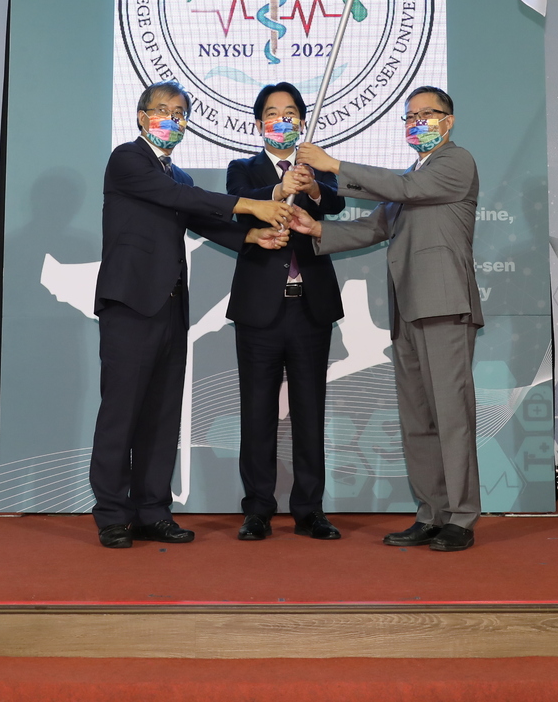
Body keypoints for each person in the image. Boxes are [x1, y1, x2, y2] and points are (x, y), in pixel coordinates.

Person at [89, 81, 293, 550]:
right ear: (142, 116)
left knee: (162, 415)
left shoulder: (176, 176)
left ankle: (152, 510)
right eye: (164, 111)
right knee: (121, 413)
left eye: (181, 114)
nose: (173, 120)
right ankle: (112, 515)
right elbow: (186, 201)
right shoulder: (127, 159)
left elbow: (202, 217)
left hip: (170, 307)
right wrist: (251, 204)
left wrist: (252, 238)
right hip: (130, 305)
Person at [290, 86, 480, 552]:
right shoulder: (409, 176)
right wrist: (315, 228)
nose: (418, 122)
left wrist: (332, 165)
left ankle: (461, 516)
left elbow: (407, 190)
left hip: (443, 304)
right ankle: (430, 513)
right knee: (418, 418)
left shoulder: (456, 163)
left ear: (448, 121)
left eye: (428, 114)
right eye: (410, 116)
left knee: (451, 415)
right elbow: (373, 227)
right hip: (407, 308)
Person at [226, 83, 347, 542]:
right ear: (259, 123)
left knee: (309, 411)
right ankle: (257, 508)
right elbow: (240, 207)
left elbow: (334, 202)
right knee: (256, 412)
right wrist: (279, 187)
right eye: (273, 113)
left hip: (309, 308)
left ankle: (309, 509)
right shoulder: (242, 168)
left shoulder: (314, 164)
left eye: (291, 112)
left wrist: (311, 184)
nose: (282, 120)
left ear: (301, 121)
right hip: (259, 309)